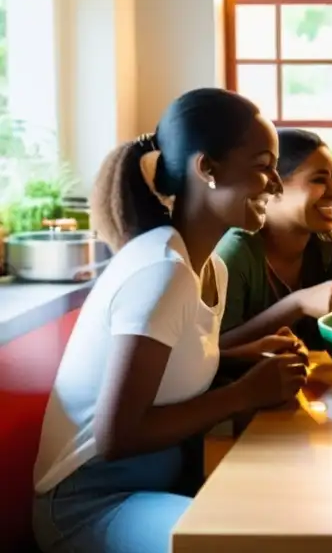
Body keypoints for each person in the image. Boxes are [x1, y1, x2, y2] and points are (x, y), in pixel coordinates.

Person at [32, 89, 309, 553]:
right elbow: (117, 436)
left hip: (155, 486)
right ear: (207, 169)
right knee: (246, 541)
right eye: (263, 165)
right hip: (89, 506)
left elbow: (170, 366)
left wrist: (241, 357)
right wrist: (244, 392)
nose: (276, 185)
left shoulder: (208, 266)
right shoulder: (160, 269)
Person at [216, 128, 332, 351]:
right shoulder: (236, 250)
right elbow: (213, 350)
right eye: (319, 179)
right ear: (271, 187)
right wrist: (298, 304)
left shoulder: (323, 239)